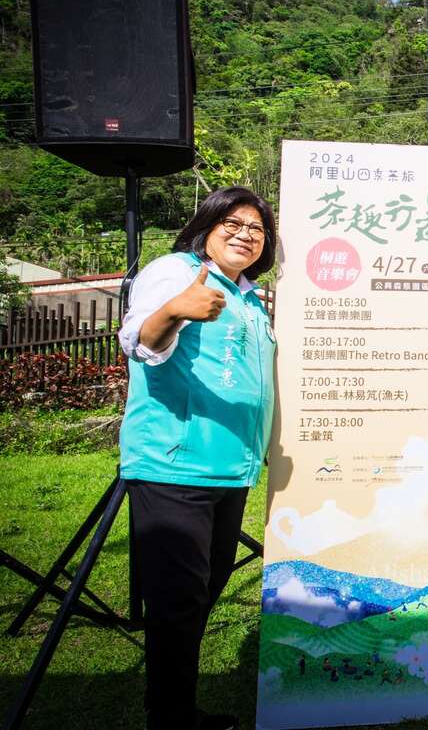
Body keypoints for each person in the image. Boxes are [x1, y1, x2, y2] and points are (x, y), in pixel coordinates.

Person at [118, 186, 277, 730]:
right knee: (179, 598)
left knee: (203, 588)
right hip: (175, 463)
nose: (245, 235)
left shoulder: (250, 297)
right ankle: (170, 717)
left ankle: (172, 706)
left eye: (257, 229)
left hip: (230, 466)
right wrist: (173, 310)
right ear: (206, 227)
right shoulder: (176, 272)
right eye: (233, 224)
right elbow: (140, 341)